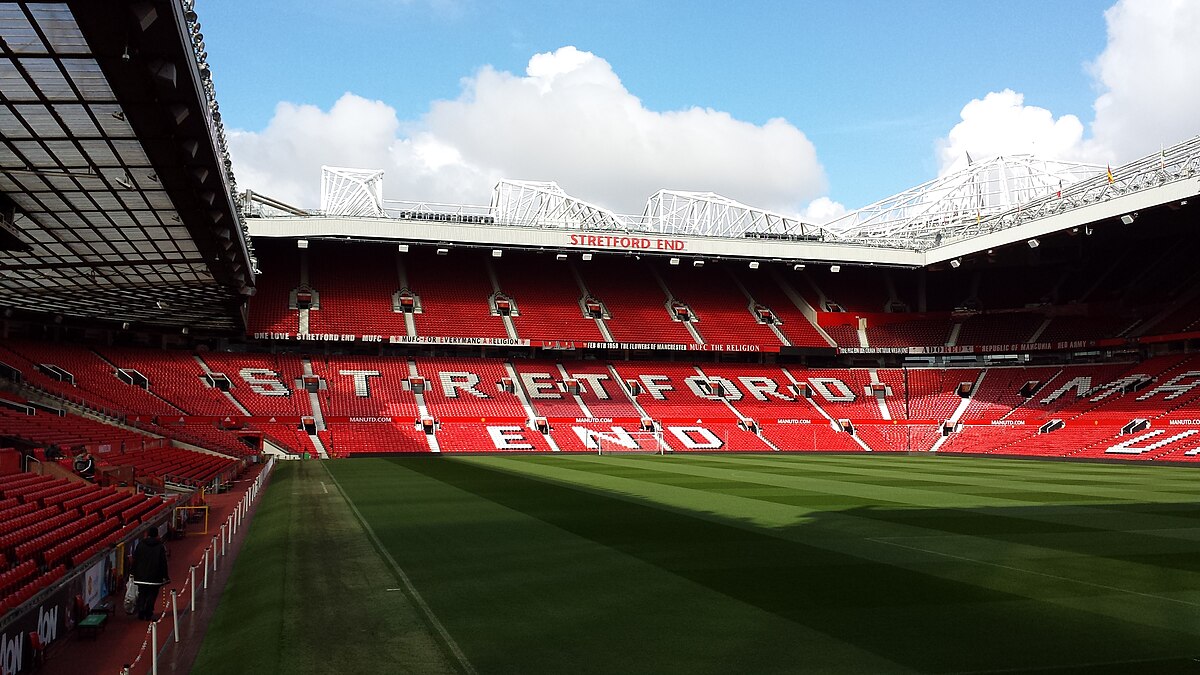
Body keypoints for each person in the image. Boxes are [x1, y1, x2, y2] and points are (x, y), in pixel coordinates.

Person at [131, 528, 169, 621]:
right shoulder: (160, 547)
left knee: (142, 594)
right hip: (154, 577)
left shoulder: (140, 545)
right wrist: (165, 576)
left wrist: (132, 572)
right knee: (152, 594)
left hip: (141, 576)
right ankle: (148, 612)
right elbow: (163, 562)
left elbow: (135, 559)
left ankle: (141, 611)